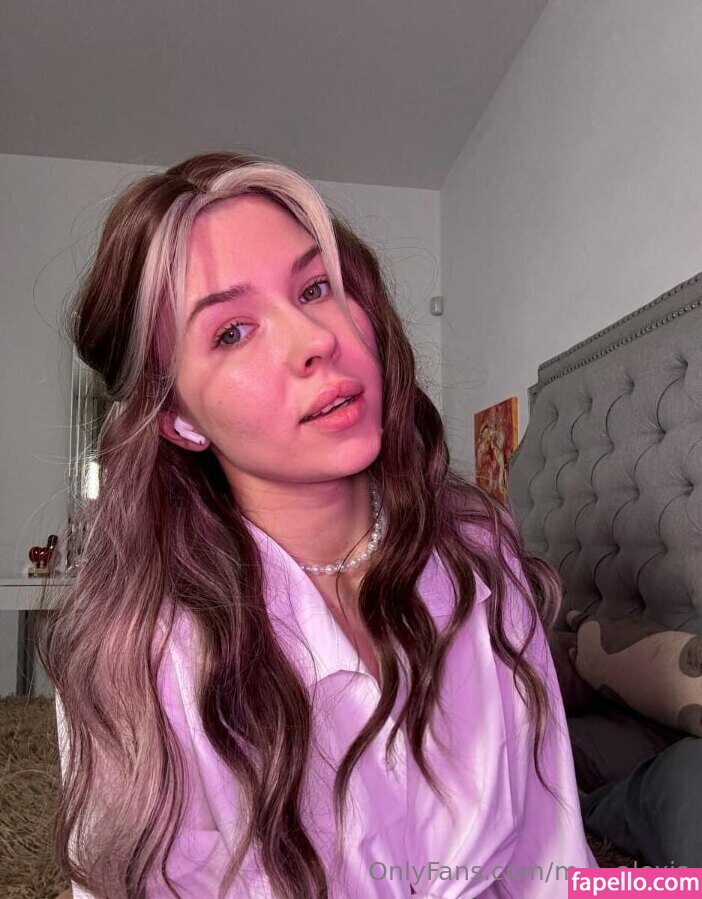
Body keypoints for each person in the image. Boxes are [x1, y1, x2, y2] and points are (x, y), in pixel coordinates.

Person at [39, 151, 596, 899]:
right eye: (232, 332)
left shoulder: (479, 553)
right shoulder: (138, 660)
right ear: (178, 419)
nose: (314, 339)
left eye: (314, 287)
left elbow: (551, 854)